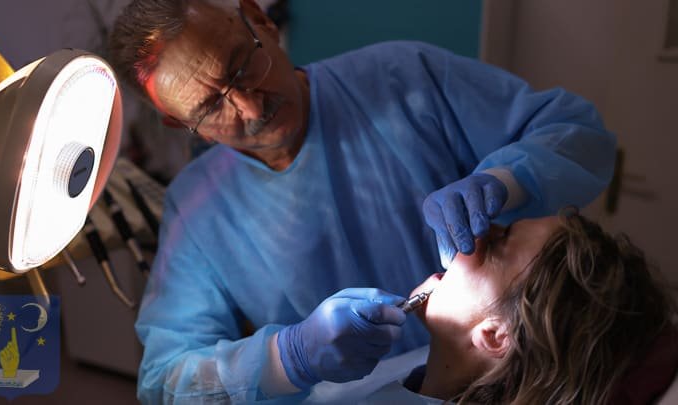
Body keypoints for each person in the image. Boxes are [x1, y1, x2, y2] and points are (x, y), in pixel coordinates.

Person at [108, 0, 617, 402]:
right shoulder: (197, 212)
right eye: (211, 106)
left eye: (242, 67)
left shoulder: (405, 78)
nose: (250, 105)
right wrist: (289, 358)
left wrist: (509, 181)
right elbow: (167, 381)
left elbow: (580, 135)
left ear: (261, 21)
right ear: (179, 122)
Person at [304, 212, 678, 404]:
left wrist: (286, 361)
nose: (473, 234)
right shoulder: (421, 373)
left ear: (496, 335)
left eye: (497, 243)